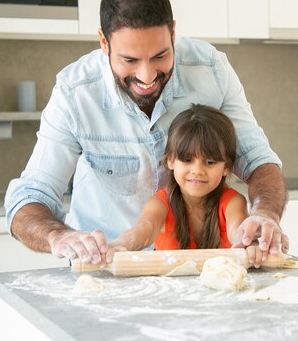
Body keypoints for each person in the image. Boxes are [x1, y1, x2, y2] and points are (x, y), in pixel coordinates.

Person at [5, 0, 288, 267]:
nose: (147, 76)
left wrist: (265, 214)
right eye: (130, 60)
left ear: (173, 32)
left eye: (160, 56)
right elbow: (30, 194)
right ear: (104, 41)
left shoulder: (212, 71)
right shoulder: (74, 93)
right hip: (105, 269)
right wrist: (58, 236)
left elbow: (256, 159)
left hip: (191, 272)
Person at [110, 104, 264, 266]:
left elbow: (238, 233)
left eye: (210, 162)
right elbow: (144, 229)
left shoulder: (233, 202)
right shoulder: (159, 203)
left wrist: (248, 244)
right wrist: (121, 244)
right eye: (187, 160)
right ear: (170, 160)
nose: (197, 171)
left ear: (226, 167)